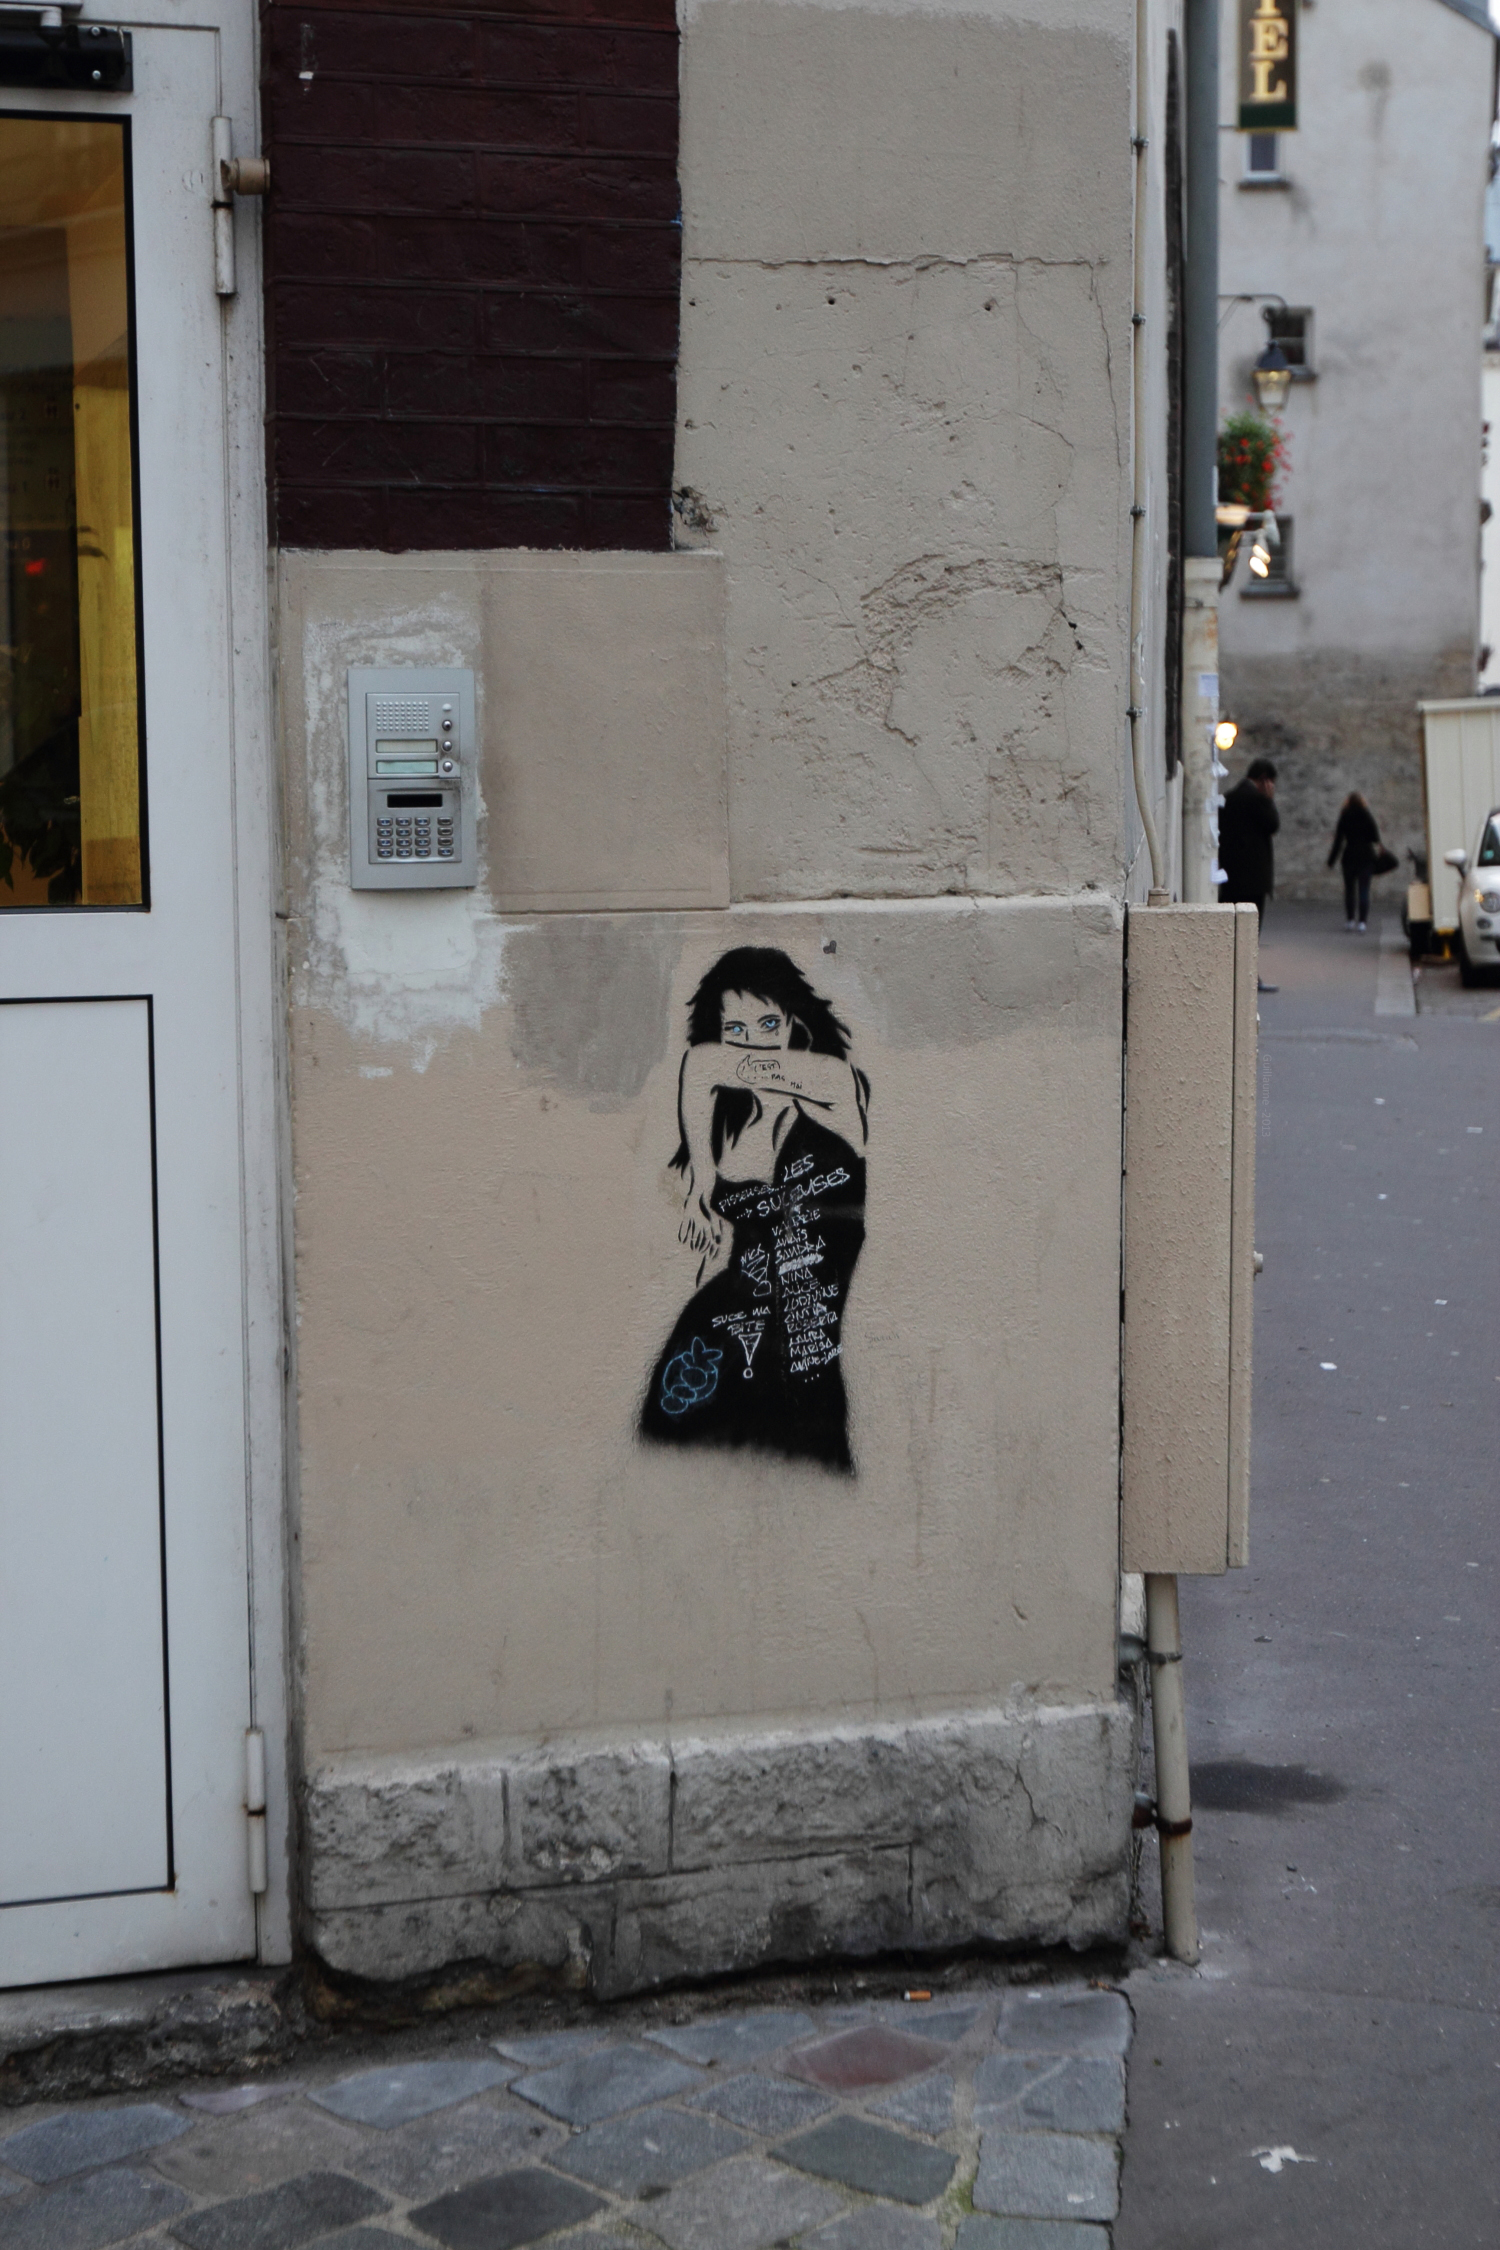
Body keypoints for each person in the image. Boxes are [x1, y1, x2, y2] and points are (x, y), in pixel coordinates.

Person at [640, 947, 870, 1473]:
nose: (753, 1043)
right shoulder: (732, 1126)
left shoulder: (834, 1086)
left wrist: (703, 1183)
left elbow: (703, 1063)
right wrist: (701, 1184)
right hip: (717, 1345)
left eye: (768, 1024)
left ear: (794, 1023)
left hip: (805, 1344)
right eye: (735, 1029)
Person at [1218, 756, 1280, 992]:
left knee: (1232, 928)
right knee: (1251, 931)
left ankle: (1231, 974)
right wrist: (1269, 800)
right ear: (1264, 780)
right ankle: (1248, 977)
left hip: (1230, 875)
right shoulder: (1257, 800)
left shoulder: (1230, 797)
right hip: (1254, 878)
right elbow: (1273, 824)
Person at [1326, 791, 1382, 931]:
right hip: (1366, 857)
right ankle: (1362, 922)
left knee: (1350, 890)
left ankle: (1350, 920)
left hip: (1349, 857)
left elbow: (1338, 841)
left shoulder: (1345, 816)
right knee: (1364, 890)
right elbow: (1375, 837)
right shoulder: (1366, 815)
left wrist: (1331, 861)